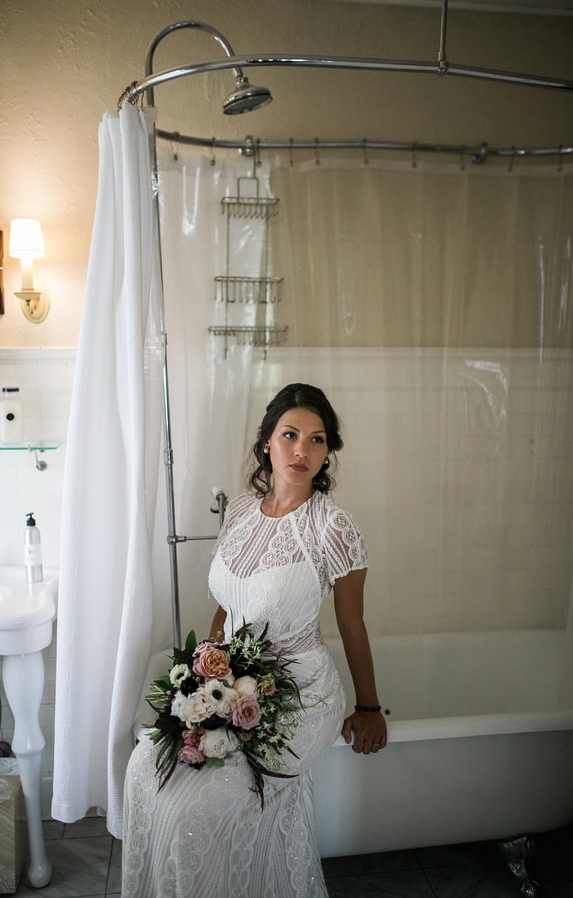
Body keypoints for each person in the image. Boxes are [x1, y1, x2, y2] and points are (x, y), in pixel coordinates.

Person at [121, 383, 387, 897]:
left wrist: (370, 707)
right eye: (290, 435)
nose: (302, 451)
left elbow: (352, 626)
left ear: (328, 451)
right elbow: (229, 599)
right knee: (141, 769)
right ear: (267, 440)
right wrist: (208, 673)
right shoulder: (242, 511)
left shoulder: (333, 529)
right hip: (229, 680)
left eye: (317, 440)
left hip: (300, 693)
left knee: (192, 812)